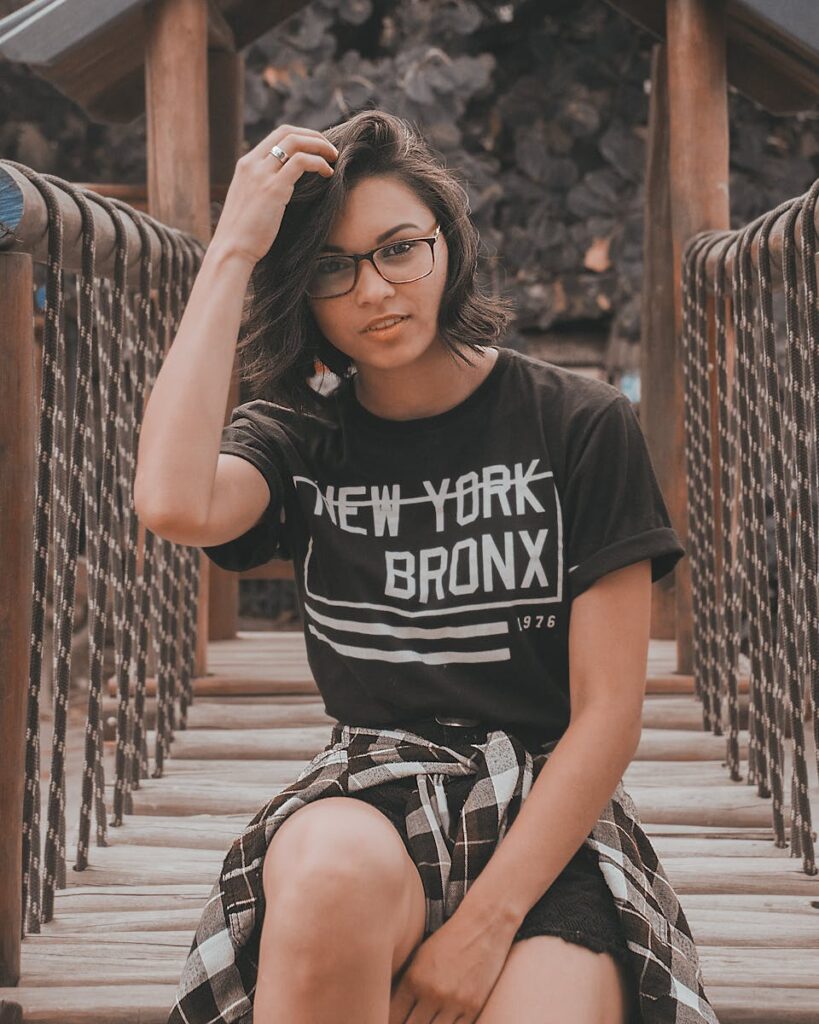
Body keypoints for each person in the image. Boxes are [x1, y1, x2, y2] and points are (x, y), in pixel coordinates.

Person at [136, 110, 717, 1024]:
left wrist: (484, 924)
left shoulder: (577, 422)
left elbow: (607, 714)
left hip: (549, 815)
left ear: (448, 247)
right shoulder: (299, 439)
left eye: (399, 248)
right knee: (325, 880)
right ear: (304, 293)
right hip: (371, 795)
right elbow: (174, 503)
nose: (374, 288)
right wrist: (233, 251)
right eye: (332, 267)